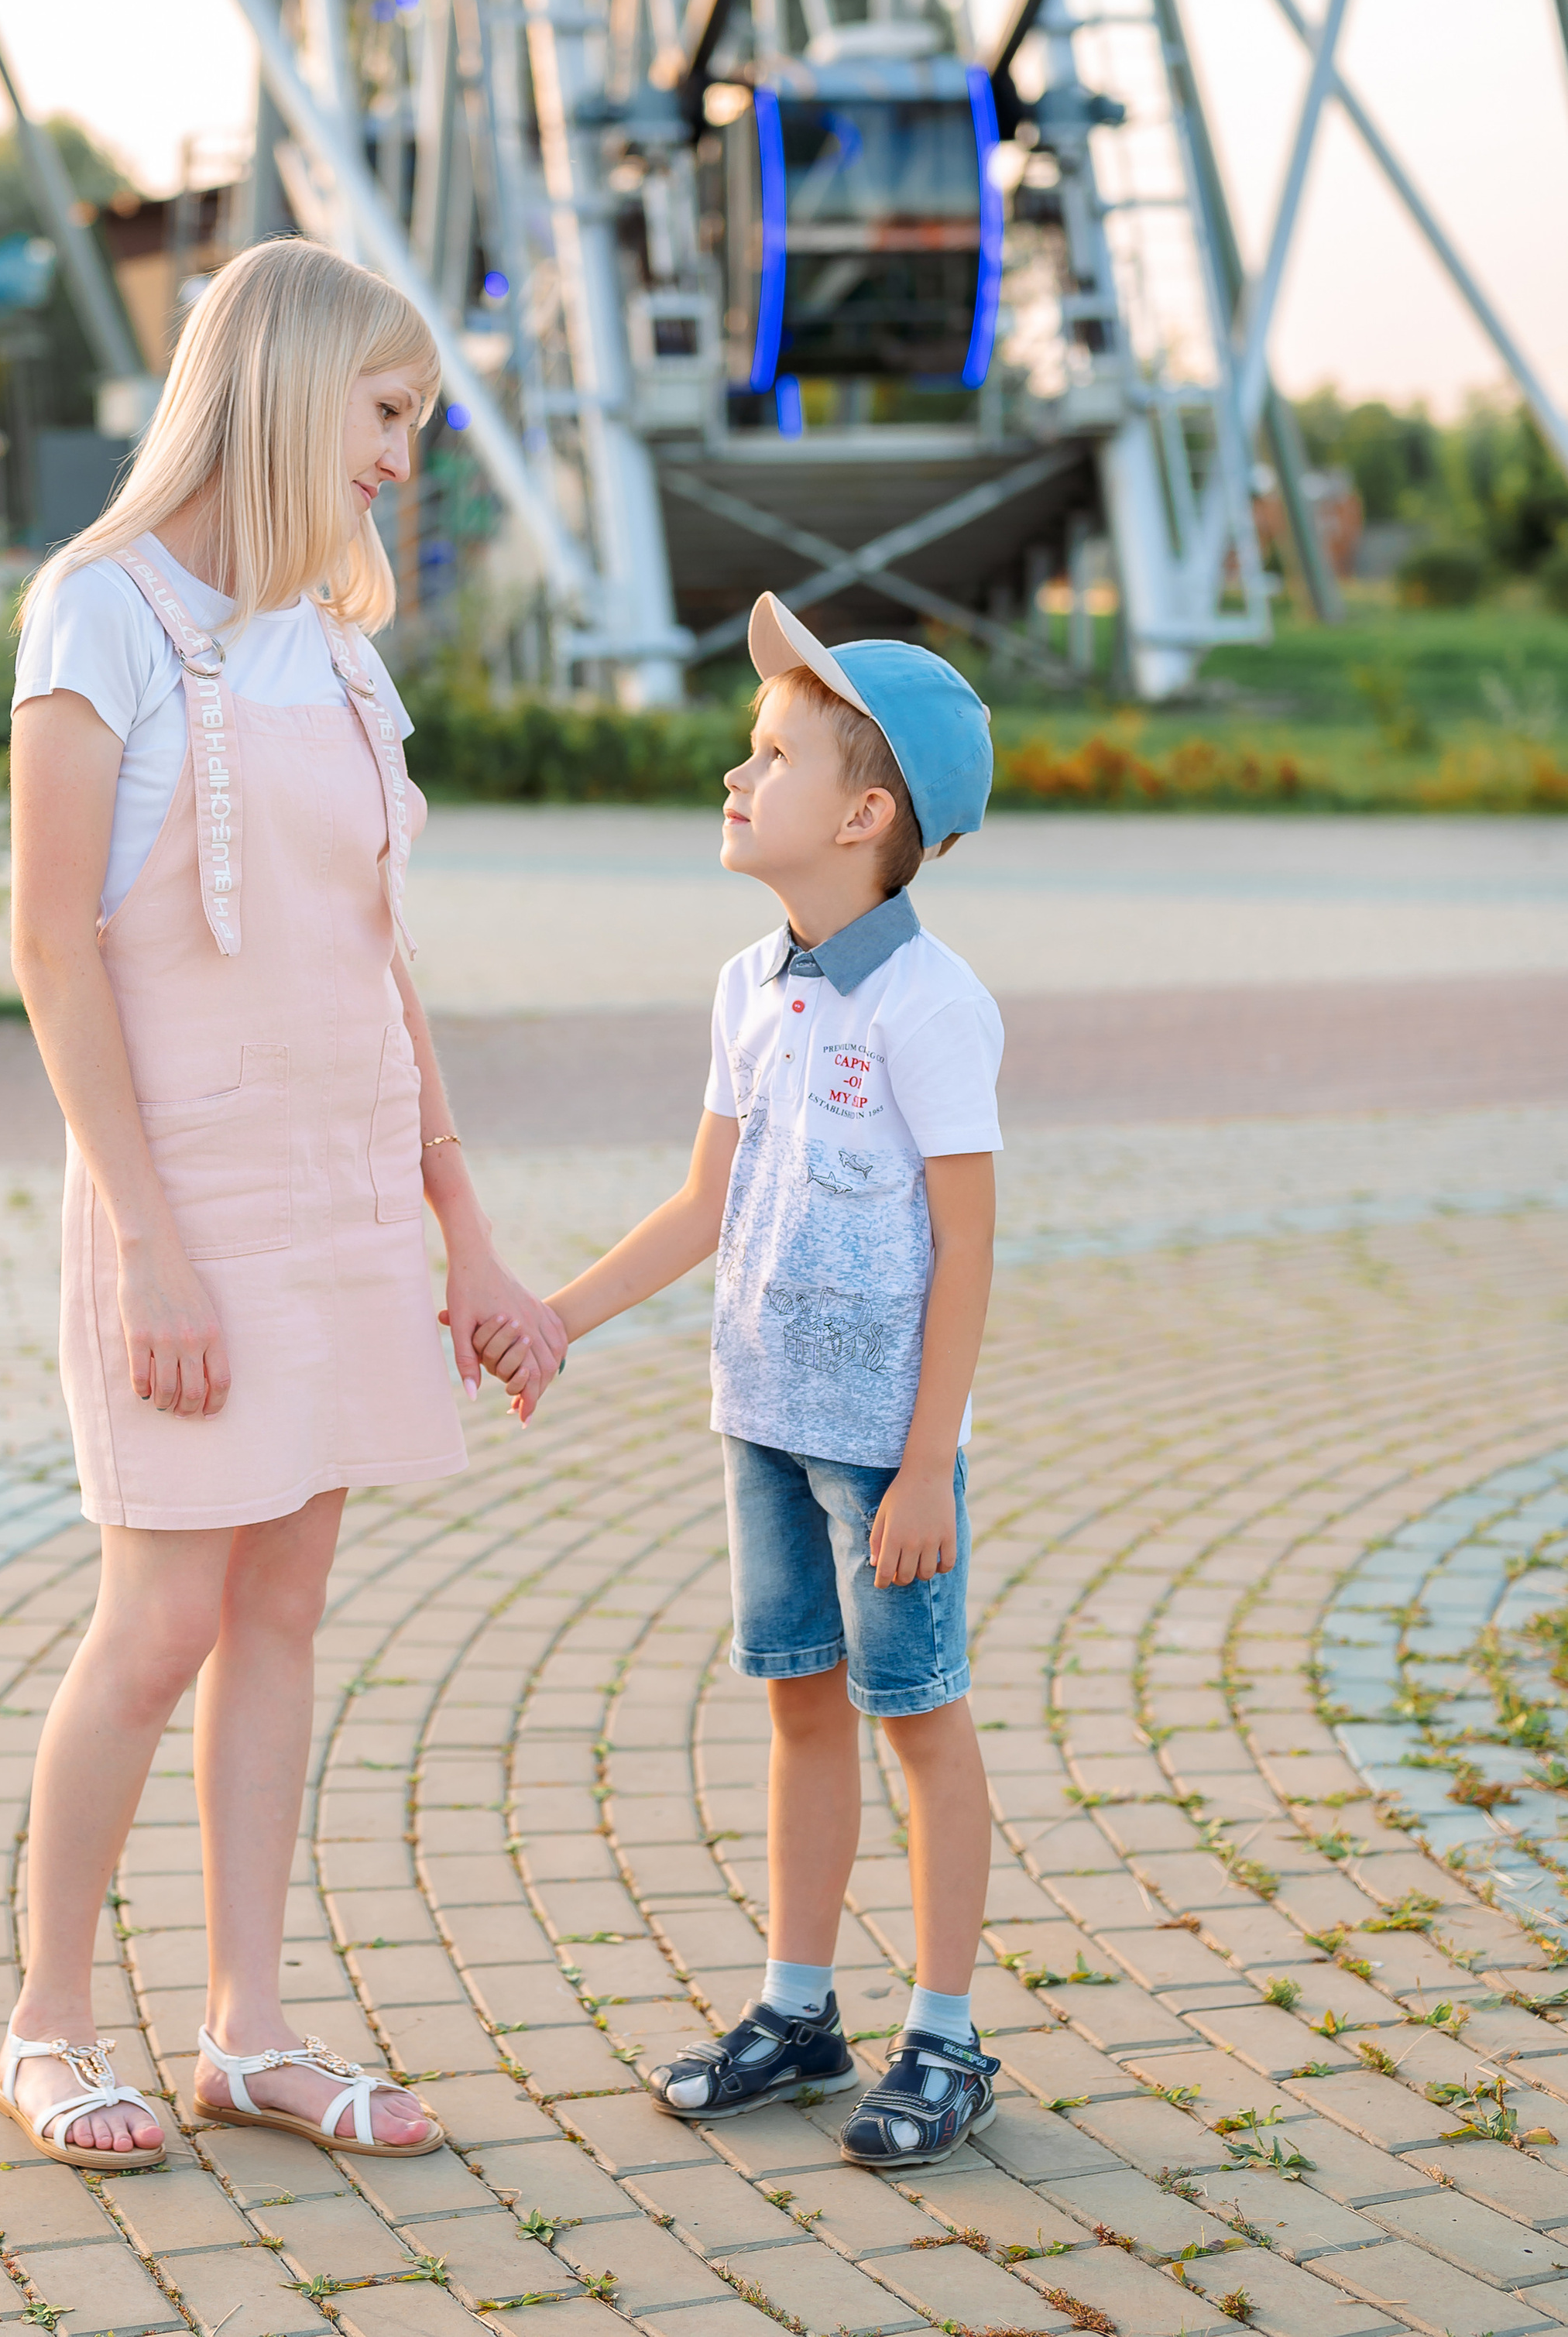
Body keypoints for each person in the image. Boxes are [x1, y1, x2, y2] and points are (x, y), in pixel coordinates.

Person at [0, 238, 562, 2172]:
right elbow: (54, 950)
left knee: (287, 1607)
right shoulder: (97, 615)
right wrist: (146, 1235)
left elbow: (375, 958)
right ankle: (46, 2025)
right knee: (158, 1621)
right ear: (291, 386)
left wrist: (462, 1230)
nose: (407, 453)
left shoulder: (337, 646)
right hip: (187, 1198)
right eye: (388, 411)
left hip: (341, 1190)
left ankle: (248, 2030)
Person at [477, 591, 1002, 2169]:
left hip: (881, 1448)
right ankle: (799, 2006)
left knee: (918, 1716)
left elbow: (968, 1252)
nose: (732, 774)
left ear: (861, 814)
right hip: (760, 1418)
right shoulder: (745, 988)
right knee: (795, 1709)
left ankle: (945, 2033)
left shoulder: (931, 1006)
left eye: (766, 755)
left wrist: (922, 1467)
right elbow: (702, 1206)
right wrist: (559, 1315)